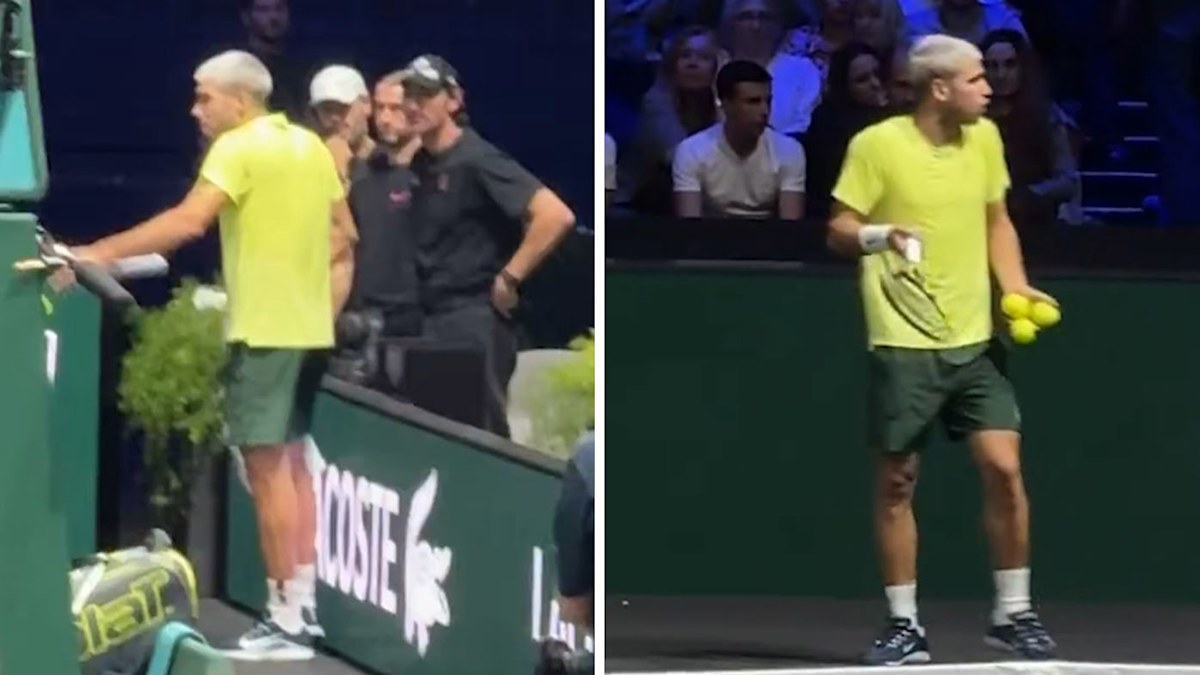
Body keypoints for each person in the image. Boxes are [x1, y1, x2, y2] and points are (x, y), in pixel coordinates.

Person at [72, 49, 356, 661]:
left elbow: (187, 223)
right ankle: (301, 609)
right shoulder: (312, 147)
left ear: (241, 100)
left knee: (269, 471)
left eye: (205, 97)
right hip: (309, 332)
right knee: (295, 468)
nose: (195, 110)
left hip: (265, 333)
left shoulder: (238, 147)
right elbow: (344, 236)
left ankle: (286, 621)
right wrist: (313, 299)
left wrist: (95, 253)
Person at [826, 34, 1057, 665]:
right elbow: (839, 227)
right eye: (976, 78)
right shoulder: (876, 146)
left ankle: (1012, 613)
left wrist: (1014, 286)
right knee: (898, 482)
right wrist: (881, 235)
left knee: (1004, 469)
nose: (989, 86)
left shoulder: (986, 139)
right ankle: (904, 624)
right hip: (902, 342)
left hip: (975, 341)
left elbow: (996, 221)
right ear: (940, 88)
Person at [399, 54, 575, 438]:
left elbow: (554, 215)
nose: (413, 105)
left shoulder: (477, 158)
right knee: (430, 435)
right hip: (428, 319)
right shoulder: (420, 164)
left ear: (453, 100)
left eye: (425, 95)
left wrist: (509, 278)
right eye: (408, 95)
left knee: (479, 436)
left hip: (473, 321)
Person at [672, 60, 807, 220]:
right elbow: (689, 225)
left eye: (768, 101)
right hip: (710, 233)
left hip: (768, 234)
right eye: (753, 102)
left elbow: (790, 226)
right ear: (726, 104)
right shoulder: (692, 151)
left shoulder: (789, 150)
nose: (764, 111)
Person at [346, 71, 424, 337]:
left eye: (395, 108)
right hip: (364, 315)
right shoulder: (361, 174)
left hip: (418, 317)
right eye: (379, 108)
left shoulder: (434, 171)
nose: (384, 119)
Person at [309, 64, 375, 185]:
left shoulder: (386, 162)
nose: (334, 117)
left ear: (366, 104)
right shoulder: (306, 163)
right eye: (327, 110)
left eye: (342, 108)